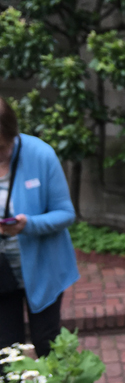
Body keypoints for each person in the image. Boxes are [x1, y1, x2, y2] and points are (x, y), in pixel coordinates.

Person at [0, 97, 79, 357]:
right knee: (6, 352)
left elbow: (66, 214)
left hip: (43, 268)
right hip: (3, 273)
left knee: (47, 344)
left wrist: (28, 225)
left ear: (11, 134)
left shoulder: (41, 155)